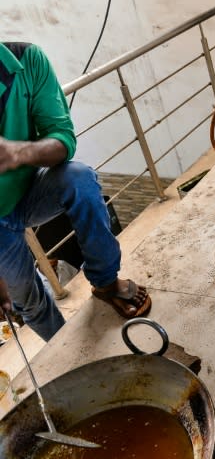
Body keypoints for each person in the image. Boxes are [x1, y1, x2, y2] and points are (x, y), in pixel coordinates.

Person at [0, 41, 151, 342]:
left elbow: (63, 139)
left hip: (29, 191)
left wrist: (18, 153)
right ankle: (65, 349)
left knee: (80, 179)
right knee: (27, 301)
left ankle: (106, 282)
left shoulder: (26, 60)